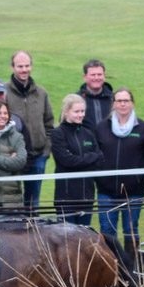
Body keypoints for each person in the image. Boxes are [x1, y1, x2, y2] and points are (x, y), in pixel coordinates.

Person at [94, 87, 144, 253]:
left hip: (134, 191)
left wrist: (139, 178)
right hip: (106, 191)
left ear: (132, 103)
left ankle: (130, 269)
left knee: (131, 230)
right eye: (119, 101)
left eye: (126, 101)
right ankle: (110, 269)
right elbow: (94, 154)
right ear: (113, 104)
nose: (123, 104)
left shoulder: (143, 128)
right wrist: (100, 179)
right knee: (107, 231)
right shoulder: (101, 127)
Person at [3, 50, 54, 210]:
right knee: (14, 200)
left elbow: (49, 122)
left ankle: (33, 231)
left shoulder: (41, 93)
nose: (24, 70)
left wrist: (46, 151)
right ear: (13, 67)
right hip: (13, 156)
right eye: (20, 66)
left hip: (38, 156)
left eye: (27, 66)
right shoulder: (4, 93)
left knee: (33, 202)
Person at [50, 94, 101, 225]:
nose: (80, 115)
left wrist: (81, 159)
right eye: (76, 111)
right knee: (67, 239)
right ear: (66, 112)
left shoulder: (88, 133)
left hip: (87, 196)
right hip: (66, 198)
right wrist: (90, 158)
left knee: (84, 238)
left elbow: (100, 158)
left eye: (82, 111)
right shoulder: (58, 133)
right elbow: (66, 160)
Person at [78, 58, 114, 130]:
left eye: (99, 74)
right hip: (85, 141)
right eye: (93, 75)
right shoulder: (76, 100)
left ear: (104, 76)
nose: (96, 78)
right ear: (85, 77)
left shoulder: (114, 99)